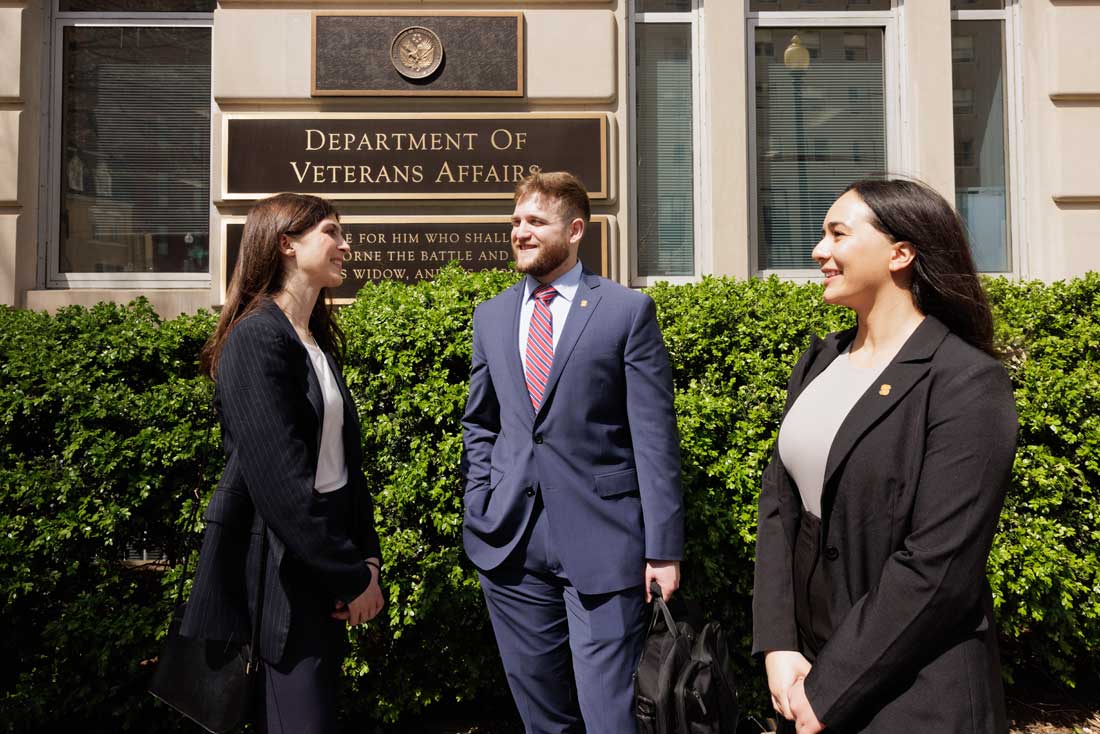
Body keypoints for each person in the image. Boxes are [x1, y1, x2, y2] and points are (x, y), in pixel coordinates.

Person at [752, 178, 1018, 734]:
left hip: (915, 695)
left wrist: (826, 692)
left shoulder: (966, 382)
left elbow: (939, 567)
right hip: (805, 677)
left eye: (837, 234)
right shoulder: (820, 360)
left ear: (900, 253)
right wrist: (778, 644)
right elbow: (778, 505)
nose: (818, 251)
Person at [461, 171, 684, 733]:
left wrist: (663, 549)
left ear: (575, 229)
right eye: (515, 221)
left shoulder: (624, 312)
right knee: (543, 718)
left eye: (535, 222)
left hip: (603, 542)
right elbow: (481, 422)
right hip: (509, 544)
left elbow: (654, 438)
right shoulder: (490, 317)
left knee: (610, 716)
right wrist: (479, 499)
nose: (520, 232)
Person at [181, 193, 384, 733]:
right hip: (281, 581)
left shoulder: (313, 339)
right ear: (287, 244)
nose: (345, 245)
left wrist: (369, 562)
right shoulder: (255, 339)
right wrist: (350, 575)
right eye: (332, 233)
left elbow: (345, 468)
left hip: (324, 567)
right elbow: (283, 488)